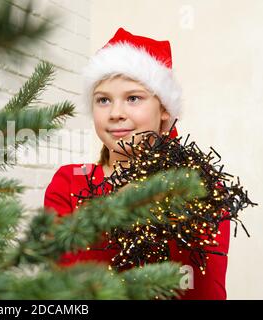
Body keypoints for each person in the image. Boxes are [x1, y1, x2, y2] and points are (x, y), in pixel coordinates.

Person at [43, 27, 230, 300]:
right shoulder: (69, 183)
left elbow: (206, 289)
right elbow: (61, 289)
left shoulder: (199, 187)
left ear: (164, 108)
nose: (116, 113)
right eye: (103, 100)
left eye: (133, 98)